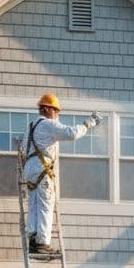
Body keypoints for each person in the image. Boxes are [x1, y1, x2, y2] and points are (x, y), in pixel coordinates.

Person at [22, 93, 103, 255]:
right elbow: (71, 133)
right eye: (55, 111)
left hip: (30, 169)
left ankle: (32, 238)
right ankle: (43, 243)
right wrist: (88, 124)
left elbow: (27, 147)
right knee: (46, 205)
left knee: (34, 205)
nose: (57, 114)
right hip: (41, 169)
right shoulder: (47, 125)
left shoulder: (32, 125)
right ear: (46, 109)